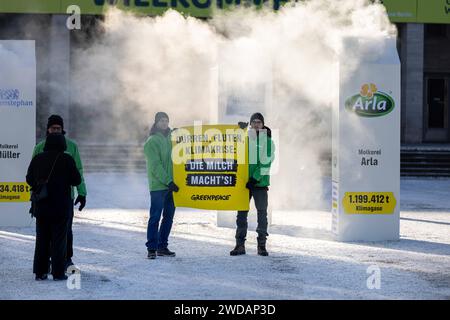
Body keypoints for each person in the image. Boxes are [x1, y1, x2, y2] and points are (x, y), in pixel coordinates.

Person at [32, 114, 87, 270]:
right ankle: (49, 260)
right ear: (48, 130)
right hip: (44, 196)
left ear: (62, 129)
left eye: (58, 128)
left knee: (66, 230)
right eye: (53, 128)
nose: (56, 130)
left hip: (65, 197)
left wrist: (82, 193)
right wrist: (35, 192)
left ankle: (66, 257)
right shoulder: (39, 147)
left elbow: (79, 171)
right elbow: (33, 173)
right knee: (46, 232)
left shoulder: (72, 146)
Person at [27, 133, 81, 280]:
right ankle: (57, 273)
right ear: (62, 144)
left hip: (42, 206)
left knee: (42, 239)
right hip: (60, 207)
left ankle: (40, 272)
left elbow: (28, 178)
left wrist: (40, 183)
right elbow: (76, 179)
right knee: (59, 240)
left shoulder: (38, 159)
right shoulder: (67, 159)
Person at [231, 112, 275, 256]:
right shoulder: (245, 138)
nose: (256, 124)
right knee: (241, 214)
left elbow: (266, 161)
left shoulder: (268, 141)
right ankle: (240, 244)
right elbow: (233, 147)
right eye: (254, 122)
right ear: (250, 124)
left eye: (259, 122)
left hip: (259, 183)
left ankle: (261, 245)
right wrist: (239, 131)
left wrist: (255, 178)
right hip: (245, 184)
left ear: (263, 124)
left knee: (262, 213)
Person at [144, 112, 179, 259]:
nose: (164, 123)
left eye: (166, 120)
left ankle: (162, 246)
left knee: (168, 217)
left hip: (172, 186)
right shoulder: (152, 141)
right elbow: (155, 165)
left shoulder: (173, 138)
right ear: (156, 123)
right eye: (161, 120)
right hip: (159, 186)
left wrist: (181, 134)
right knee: (155, 217)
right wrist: (168, 181)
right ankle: (152, 248)